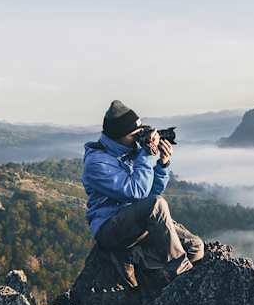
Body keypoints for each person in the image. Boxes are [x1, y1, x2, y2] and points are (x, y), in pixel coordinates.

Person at [82, 100, 204, 287]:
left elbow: (150, 193)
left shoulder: (132, 151)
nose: (139, 138)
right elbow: (137, 193)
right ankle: (180, 275)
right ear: (118, 136)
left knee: (195, 247)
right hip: (110, 228)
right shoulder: (97, 163)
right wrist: (146, 155)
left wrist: (162, 165)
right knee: (157, 204)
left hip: (137, 224)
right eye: (135, 135)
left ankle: (135, 257)